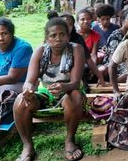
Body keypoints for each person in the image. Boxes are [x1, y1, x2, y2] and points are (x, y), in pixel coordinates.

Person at [13, 17, 86, 161]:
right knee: (21, 101)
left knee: (75, 95)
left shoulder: (76, 49)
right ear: (47, 37)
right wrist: (28, 90)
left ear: (68, 36)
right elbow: (29, 81)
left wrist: (63, 87)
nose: (58, 38)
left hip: (68, 91)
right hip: (46, 93)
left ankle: (70, 141)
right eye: (53, 35)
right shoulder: (40, 51)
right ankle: (28, 146)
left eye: (62, 34)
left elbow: (76, 83)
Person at [0, 18, 33, 113]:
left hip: (20, 85)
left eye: (5, 34)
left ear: (12, 34)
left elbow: (12, 78)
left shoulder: (23, 48)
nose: (1, 38)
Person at [60, 12, 106, 86]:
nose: (67, 27)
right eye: (64, 24)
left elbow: (88, 58)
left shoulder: (78, 38)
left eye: (70, 24)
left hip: (75, 70)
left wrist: (100, 77)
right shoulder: (53, 39)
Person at [100, 8, 128, 82]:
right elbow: (113, 57)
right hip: (115, 62)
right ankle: (115, 81)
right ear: (122, 20)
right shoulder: (116, 35)